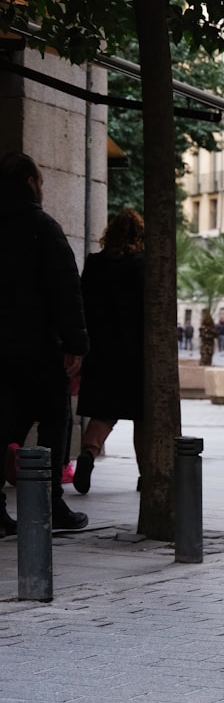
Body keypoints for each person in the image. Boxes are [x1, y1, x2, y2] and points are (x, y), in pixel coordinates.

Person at [0, 151, 89, 534]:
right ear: (28, 183)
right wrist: (76, 344)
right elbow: (65, 291)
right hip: (38, 348)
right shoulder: (43, 227)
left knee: (5, 425)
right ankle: (51, 503)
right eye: (40, 181)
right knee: (55, 421)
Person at [73, 208, 145, 494]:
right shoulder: (142, 264)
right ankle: (146, 474)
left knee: (104, 412)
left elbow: (82, 303)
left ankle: (88, 454)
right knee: (143, 416)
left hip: (101, 351)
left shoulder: (95, 263)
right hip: (135, 352)